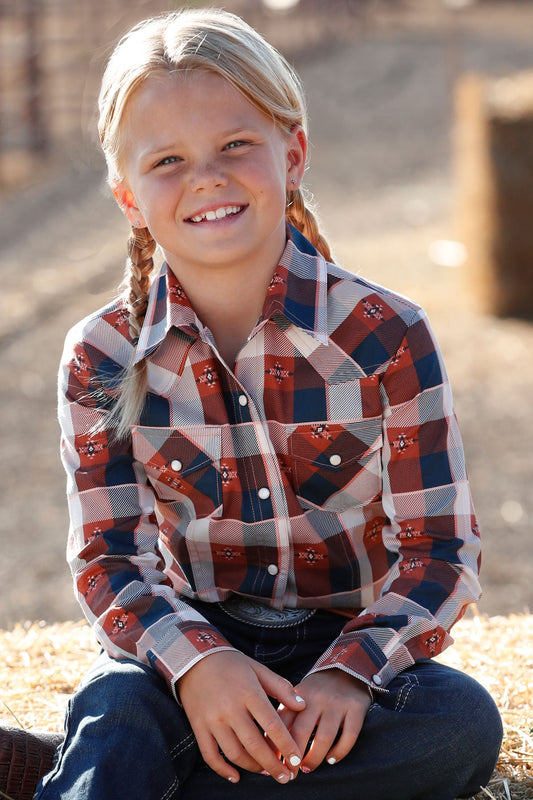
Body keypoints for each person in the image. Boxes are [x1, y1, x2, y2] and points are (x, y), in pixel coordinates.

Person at [0, 8, 502, 800]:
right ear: (127, 195)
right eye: (167, 160)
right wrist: (200, 667)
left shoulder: (387, 336)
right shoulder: (102, 354)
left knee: (457, 726)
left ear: (292, 153)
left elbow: (440, 553)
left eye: (236, 145)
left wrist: (347, 677)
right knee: (118, 703)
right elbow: (110, 562)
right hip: (190, 643)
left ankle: (106, 778)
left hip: (342, 651)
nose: (207, 176)